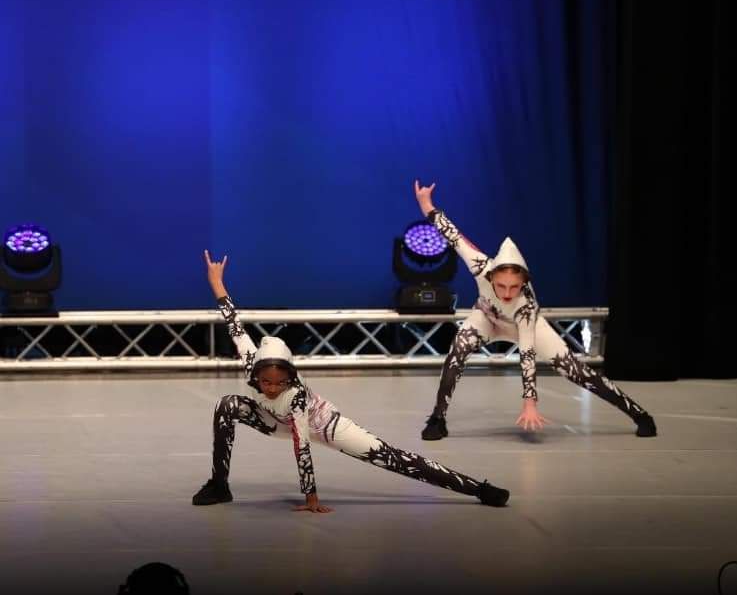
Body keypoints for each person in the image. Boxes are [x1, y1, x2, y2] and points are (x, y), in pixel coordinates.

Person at [192, 250, 511, 512]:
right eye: (265, 382)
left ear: (290, 376)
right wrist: (218, 284)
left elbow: (301, 445)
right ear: (256, 373)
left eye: (279, 383)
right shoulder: (252, 363)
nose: (271, 387)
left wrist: (311, 497)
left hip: (321, 425)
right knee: (226, 405)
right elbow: (234, 323)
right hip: (273, 420)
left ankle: (478, 489)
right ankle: (220, 485)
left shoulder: (298, 395)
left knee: (393, 458)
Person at [413, 181, 657, 441]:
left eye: (514, 287)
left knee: (575, 371)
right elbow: (453, 236)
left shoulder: (526, 306)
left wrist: (530, 401)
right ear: (491, 275)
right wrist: (426, 204)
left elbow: (527, 351)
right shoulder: (481, 266)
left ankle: (640, 414)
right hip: (486, 317)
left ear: (525, 283)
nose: (507, 293)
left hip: (524, 326)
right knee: (457, 351)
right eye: (501, 286)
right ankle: (438, 418)